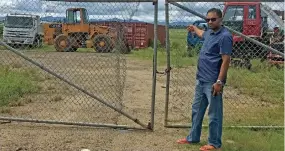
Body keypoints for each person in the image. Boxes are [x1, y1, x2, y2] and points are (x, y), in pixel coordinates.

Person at [176, 8, 233, 151]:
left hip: (213, 82)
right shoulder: (209, 32)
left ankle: (214, 143)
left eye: (213, 19)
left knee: (214, 113)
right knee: (197, 109)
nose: (210, 22)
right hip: (201, 79)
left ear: (220, 20)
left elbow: (226, 60)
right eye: (208, 19)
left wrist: (219, 82)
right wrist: (194, 28)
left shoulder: (225, 36)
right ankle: (193, 137)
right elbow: (202, 34)